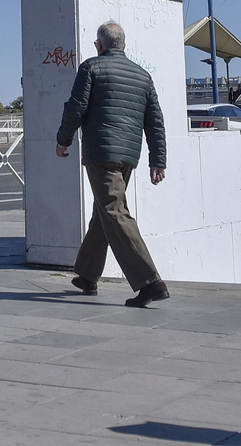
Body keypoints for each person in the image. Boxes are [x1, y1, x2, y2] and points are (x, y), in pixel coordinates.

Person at [56, 21, 169, 308]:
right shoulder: (142, 75)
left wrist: (63, 140)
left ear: (100, 45)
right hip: (128, 155)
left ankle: (149, 282)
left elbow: (76, 106)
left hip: (101, 151)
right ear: (124, 46)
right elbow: (154, 121)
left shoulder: (91, 67)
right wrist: (157, 160)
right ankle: (87, 275)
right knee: (104, 210)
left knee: (113, 210)